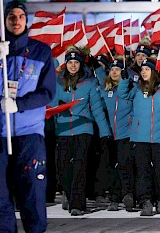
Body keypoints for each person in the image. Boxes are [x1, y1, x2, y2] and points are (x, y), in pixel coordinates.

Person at [0, 0, 56, 233]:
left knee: (32, 190)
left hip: (29, 134)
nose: (16, 20)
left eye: (21, 16)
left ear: (26, 20)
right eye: (12, 16)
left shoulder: (41, 51)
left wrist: (18, 104)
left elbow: (48, 93)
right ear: (5, 20)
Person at [51, 48, 112, 216]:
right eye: (70, 62)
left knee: (79, 166)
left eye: (76, 62)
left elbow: (97, 109)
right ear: (66, 64)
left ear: (80, 64)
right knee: (63, 168)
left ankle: (77, 203)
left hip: (83, 129)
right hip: (63, 129)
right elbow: (49, 102)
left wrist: (105, 132)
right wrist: (58, 102)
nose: (73, 65)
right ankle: (70, 196)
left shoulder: (89, 82)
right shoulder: (57, 82)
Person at [118, 58, 160, 216]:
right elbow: (122, 94)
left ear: (154, 71)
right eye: (142, 69)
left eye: (148, 69)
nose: (144, 72)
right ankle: (145, 201)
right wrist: (124, 80)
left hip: (159, 137)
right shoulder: (136, 88)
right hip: (140, 137)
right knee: (143, 171)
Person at [95, 58, 136, 212]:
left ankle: (128, 194)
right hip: (110, 135)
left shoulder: (130, 89)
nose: (114, 72)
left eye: (117, 70)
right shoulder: (105, 90)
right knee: (111, 167)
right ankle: (114, 197)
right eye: (112, 69)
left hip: (126, 134)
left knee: (126, 165)